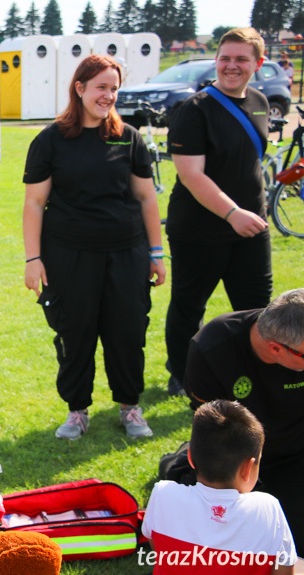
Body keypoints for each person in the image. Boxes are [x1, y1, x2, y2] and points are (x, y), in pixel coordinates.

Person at [22, 54, 166, 440]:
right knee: (75, 331)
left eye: (114, 89)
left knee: (128, 331)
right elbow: (35, 203)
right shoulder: (51, 139)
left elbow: (146, 199)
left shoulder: (128, 137)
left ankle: (130, 408)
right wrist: (33, 259)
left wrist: (156, 253)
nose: (108, 96)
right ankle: (77, 411)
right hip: (68, 256)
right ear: (80, 88)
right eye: (101, 87)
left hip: (126, 254)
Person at [164, 28, 272, 398]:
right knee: (188, 307)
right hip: (200, 229)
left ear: (257, 64)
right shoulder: (193, 111)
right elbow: (191, 175)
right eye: (225, 58)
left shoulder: (259, 101)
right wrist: (233, 214)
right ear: (216, 60)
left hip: (252, 226)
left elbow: (249, 160)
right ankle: (181, 374)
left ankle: (259, 373)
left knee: (259, 310)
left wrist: (251, 211)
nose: (231, 66)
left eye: (241, 59)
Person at [184, 288, 304, 552]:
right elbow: (214, 430)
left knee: (294, 539)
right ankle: (180, 462)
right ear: (276, 348)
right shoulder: (212, 348)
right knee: (221, 533)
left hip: (297, 452)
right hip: (238, 452)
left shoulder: (295, 345)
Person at [142, 400, 296, 574]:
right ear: (247, 468)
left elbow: (160, 550)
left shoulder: (163, 494)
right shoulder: (268, 507)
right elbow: (284, 571)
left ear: (190, 457)